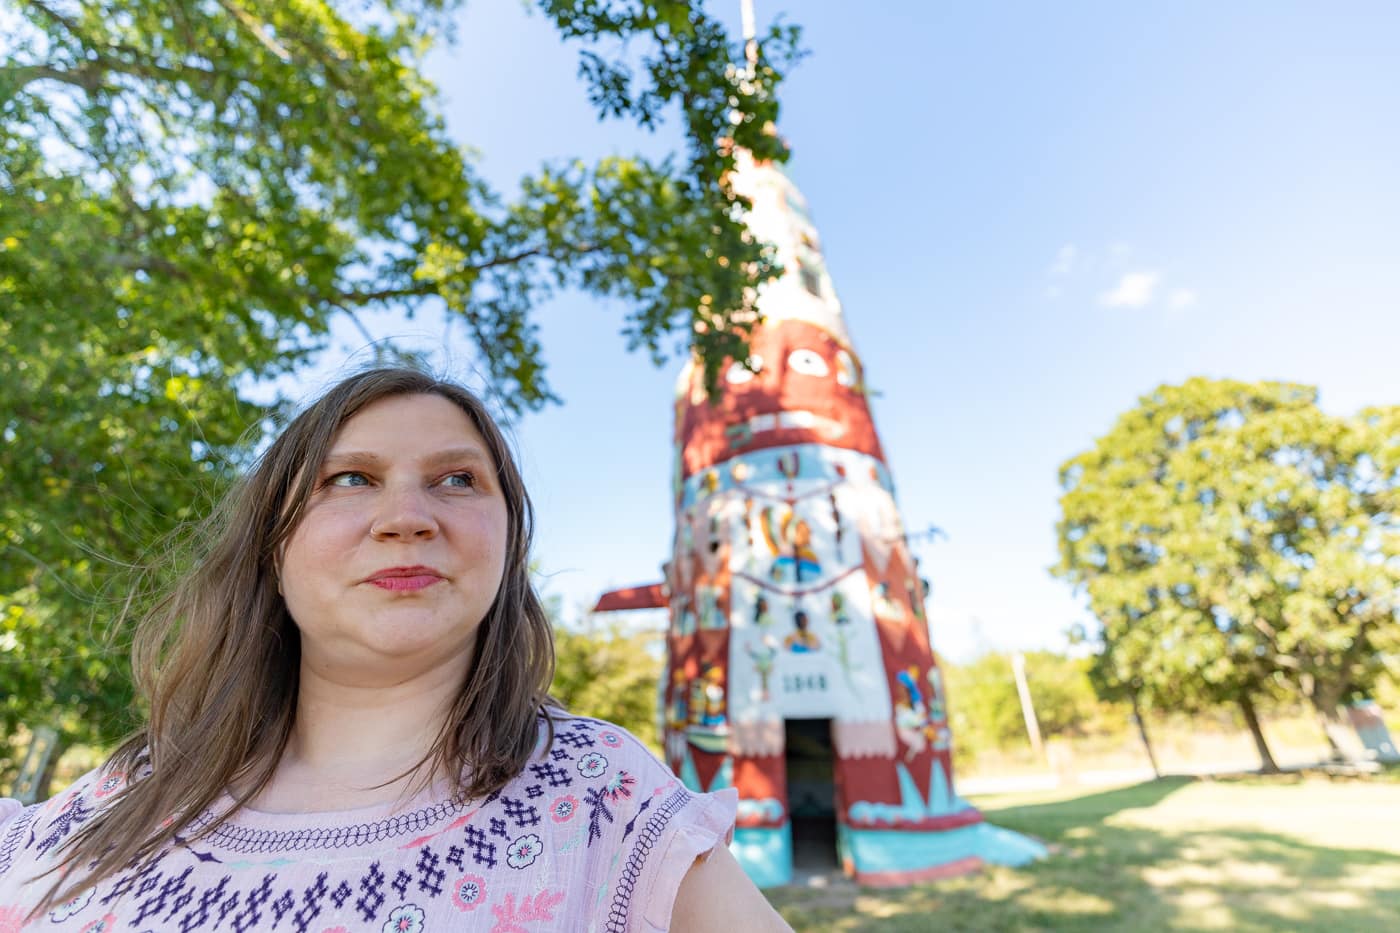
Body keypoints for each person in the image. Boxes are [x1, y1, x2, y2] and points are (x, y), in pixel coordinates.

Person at [0, 368, 791, 932]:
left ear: (507, 546)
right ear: (272, 548)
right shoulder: (113, 801)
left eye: (456, 480)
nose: (407, 516)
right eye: (350, 478)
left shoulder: (601, 801)